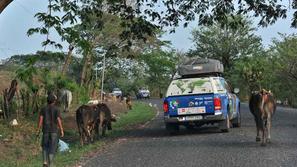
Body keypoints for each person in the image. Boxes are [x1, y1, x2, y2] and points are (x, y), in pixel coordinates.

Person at [37, 94, 64, 167]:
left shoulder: (43, 109)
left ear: (47, 101)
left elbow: (40, 120)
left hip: (45, 130)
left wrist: (38, 129)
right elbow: (58, 120)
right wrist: (61, 129)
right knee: (52, 147)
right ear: (54, 101)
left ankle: (45, 162)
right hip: (54, 131)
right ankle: (51, 164)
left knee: (44, 146)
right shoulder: (57, 109)